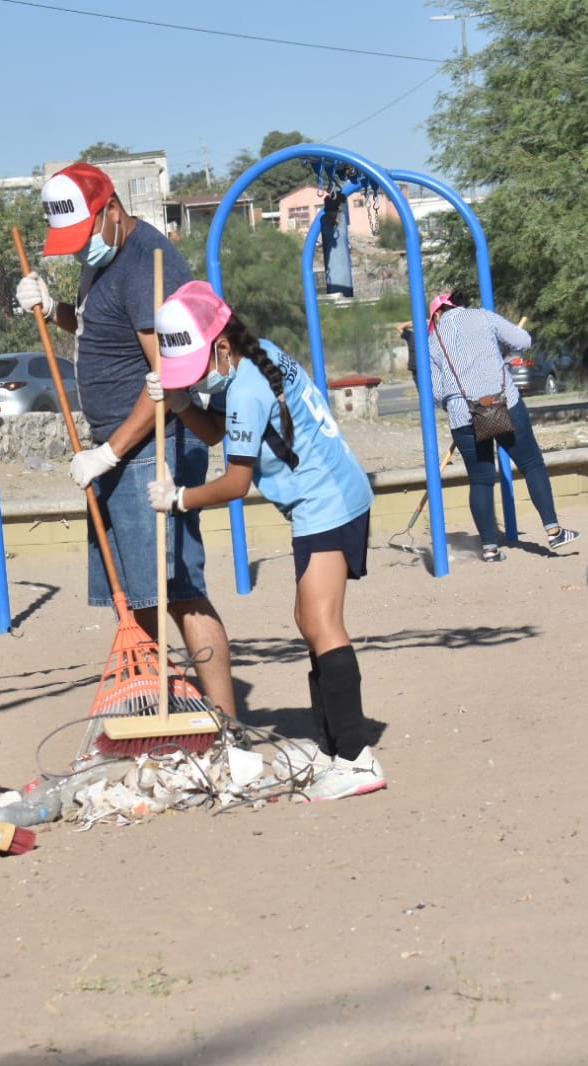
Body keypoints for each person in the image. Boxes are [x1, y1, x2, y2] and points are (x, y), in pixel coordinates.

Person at [144, 281, 384, 801]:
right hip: (325, 498)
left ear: (221, 347)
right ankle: (330, 746)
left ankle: (357, 756)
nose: (198, 378)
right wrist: (185, 401)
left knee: (323, 624)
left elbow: (235, 482)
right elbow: (216, 431)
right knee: (309, 621)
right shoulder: (257, 357)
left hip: (329, 502)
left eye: (197, 367)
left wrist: (178, 499)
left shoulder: (247, 388)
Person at [13, 163, 236, 722]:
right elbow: (102, 331)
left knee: (178, 587)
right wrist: (52, 307)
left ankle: (227, 724)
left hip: (151, 448)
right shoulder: (107, 258)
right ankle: (167, 712)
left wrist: (111, 453)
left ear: (111, 209)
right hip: (115, 447)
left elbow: (166, 380)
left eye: (84, 234)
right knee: (140, 596)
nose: (79, 249)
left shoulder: (145, 267)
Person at [426, 290, 580, 562]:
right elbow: (524, 340)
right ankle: (554, 531)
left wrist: (459, 404)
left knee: (481, 480)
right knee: (532, 464)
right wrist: (503, 351)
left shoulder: (433, 341)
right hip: (504, 403)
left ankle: (489, 549)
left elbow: (437, 392)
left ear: (437, 313)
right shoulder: (483, 317)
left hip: (464, 414)